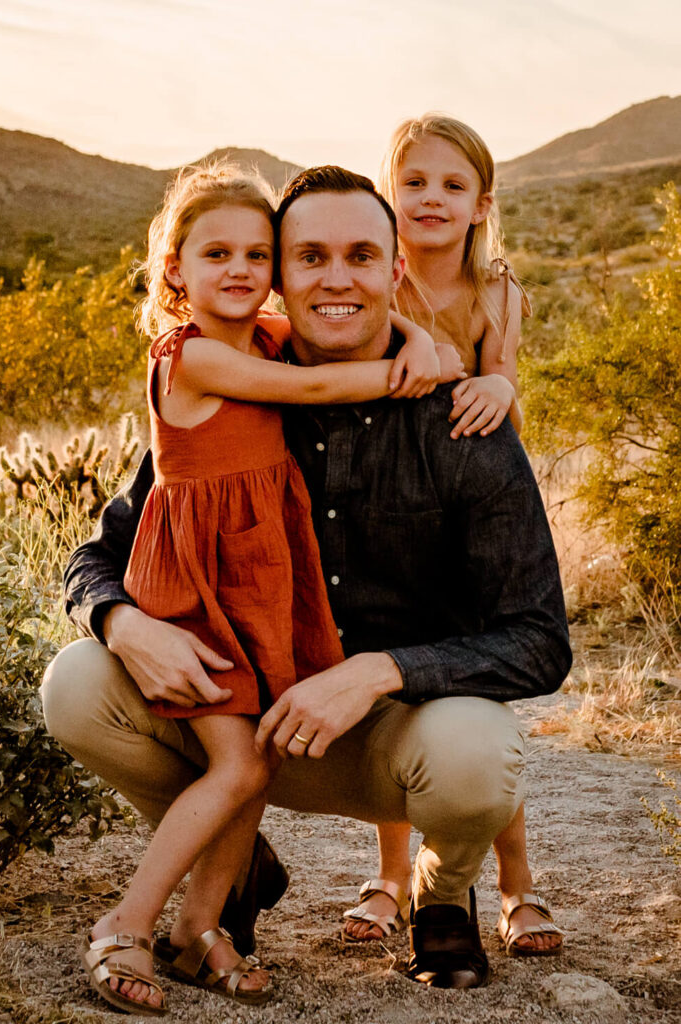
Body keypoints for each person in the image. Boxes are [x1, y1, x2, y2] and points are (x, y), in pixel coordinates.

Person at [41, 165, 572, 998]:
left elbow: (539, 641)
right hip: (243, 720)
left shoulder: (461, 419)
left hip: (392, 741)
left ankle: (440, 895)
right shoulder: (230, 390)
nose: (335, 279)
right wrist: (125, 624)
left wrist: (376, 673)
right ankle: (227, 868)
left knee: (476, 752)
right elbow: (99, 555)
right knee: (77, 682)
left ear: (395, 269)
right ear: (281, 282)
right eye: (309, 257)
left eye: (360, 256)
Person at [339, 115, 564, 958]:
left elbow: (501, 385)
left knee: (473, 709)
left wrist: (499, 389)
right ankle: (390, 877)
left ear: (481, 204)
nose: (430, 197)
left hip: (468, 523)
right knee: (398, 698)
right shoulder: (376, 281)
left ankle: (514, 884)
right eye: (413, 182)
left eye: (451, 185)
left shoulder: (495, 290)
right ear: (386, 194)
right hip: (386, 514)